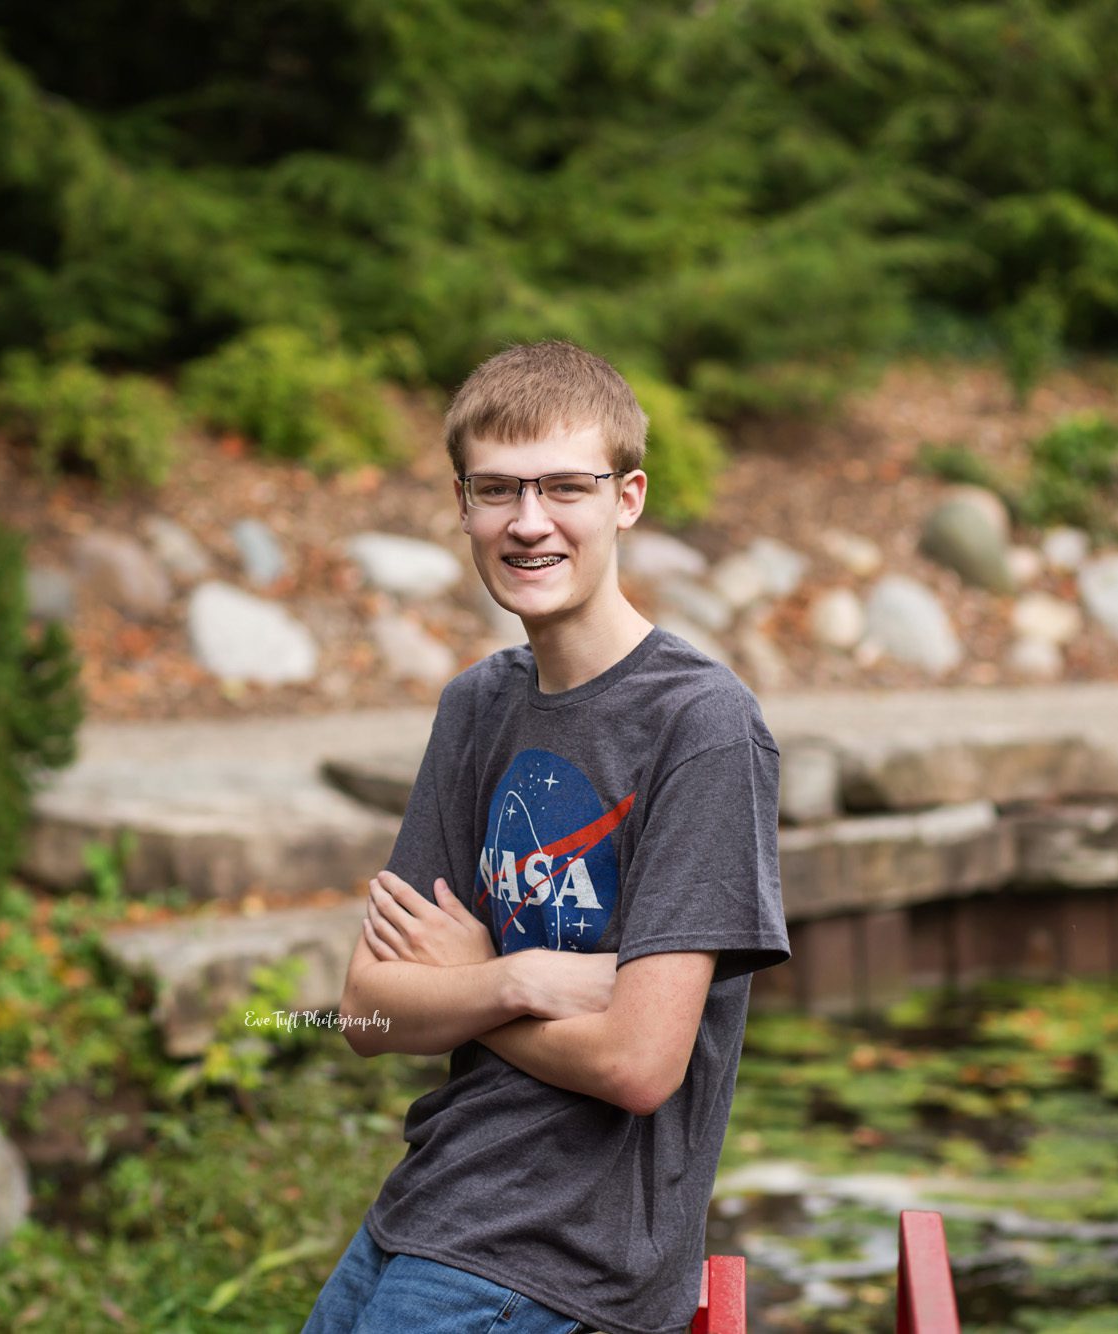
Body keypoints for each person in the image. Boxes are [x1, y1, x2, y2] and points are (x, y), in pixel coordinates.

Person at [302, 340, 790, 1334]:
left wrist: (465, 979)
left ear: (627, 497)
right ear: (461, 503)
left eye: (564, 486)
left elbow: (638, 1061)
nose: (527, 522)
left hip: (567, 1255)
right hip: (422, 1206)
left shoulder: (699, 726)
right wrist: (516, 975)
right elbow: (365, 1011)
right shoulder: (477, 705)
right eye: (496, 490)